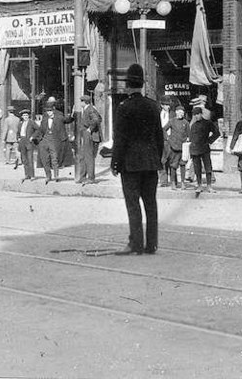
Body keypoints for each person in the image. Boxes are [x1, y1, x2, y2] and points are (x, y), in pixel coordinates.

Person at [110, 63, 163, 255]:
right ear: (141, 84)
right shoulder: (153, 106)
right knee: (151, 203)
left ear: (127, 85)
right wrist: (158, 159)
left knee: (133, 204)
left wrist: (115, 162)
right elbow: (159, 137)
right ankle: (152, 245)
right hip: (151, 163)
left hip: (130, 165)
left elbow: (120, 139)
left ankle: (136, 244)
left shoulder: (124, 107)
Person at [33, 96, 67, 184]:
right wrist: (34, 137)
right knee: (45, 159)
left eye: (51, 111)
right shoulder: (44, 119)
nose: (49, 113)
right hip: (44, 141)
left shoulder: (58, 118)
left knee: (54, 158)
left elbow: (66, 120)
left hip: (54, 141)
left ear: (54, 111)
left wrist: (72, 117)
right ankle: (48, 176)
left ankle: (56, 175)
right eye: (47, 111)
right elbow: (40, 129)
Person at [189, 102, 220, 193]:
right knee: (197, 168)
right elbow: (191, 137)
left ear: (201, 114)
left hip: (204, 148)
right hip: (195, 149)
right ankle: (199, 185)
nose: (196, 116)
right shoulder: (193, 125)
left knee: (208, 167)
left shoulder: (207, 123)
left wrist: (209, 141)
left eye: (198, 114)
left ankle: (209, 186)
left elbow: (217, 133)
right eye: (195, 115)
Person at [72, 94, 103, 183]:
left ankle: (91, 178)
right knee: (83, 156)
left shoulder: (89, 109)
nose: (80, 103)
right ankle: (83, 176)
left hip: (89, 135)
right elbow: (99, 118)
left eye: (81, 101)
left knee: (88, 157)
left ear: (84, 102)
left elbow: (96, 119)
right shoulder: (88, 109)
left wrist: (90, 129)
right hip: (87, 134)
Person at [164, 104, 189, 189]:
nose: (181, 114)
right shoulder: (172, 121)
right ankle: (173, 183)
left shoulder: (186, 123)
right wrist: (167, 138)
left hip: (183, 147)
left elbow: (189, 134)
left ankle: (182, 182)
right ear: (176, 112)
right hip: (173, 146)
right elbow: (163, 129)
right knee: (173, 165)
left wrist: (187, 141)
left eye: (182, 112)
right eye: (179, 112)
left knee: (182, 165)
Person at [18, 108, 36, 181]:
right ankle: (26, 175)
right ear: (22, 116)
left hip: (29, 142)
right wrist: (18, 138)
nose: (25, 116)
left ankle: (32, 175)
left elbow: (38, 129)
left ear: (28, 116)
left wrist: (33, 137)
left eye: (26, 115)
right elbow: (18, 132)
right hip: (22, 141)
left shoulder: (31, 123)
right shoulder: (20, 124)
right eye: (24, 115)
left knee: (30, 159)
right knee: (24, 159)